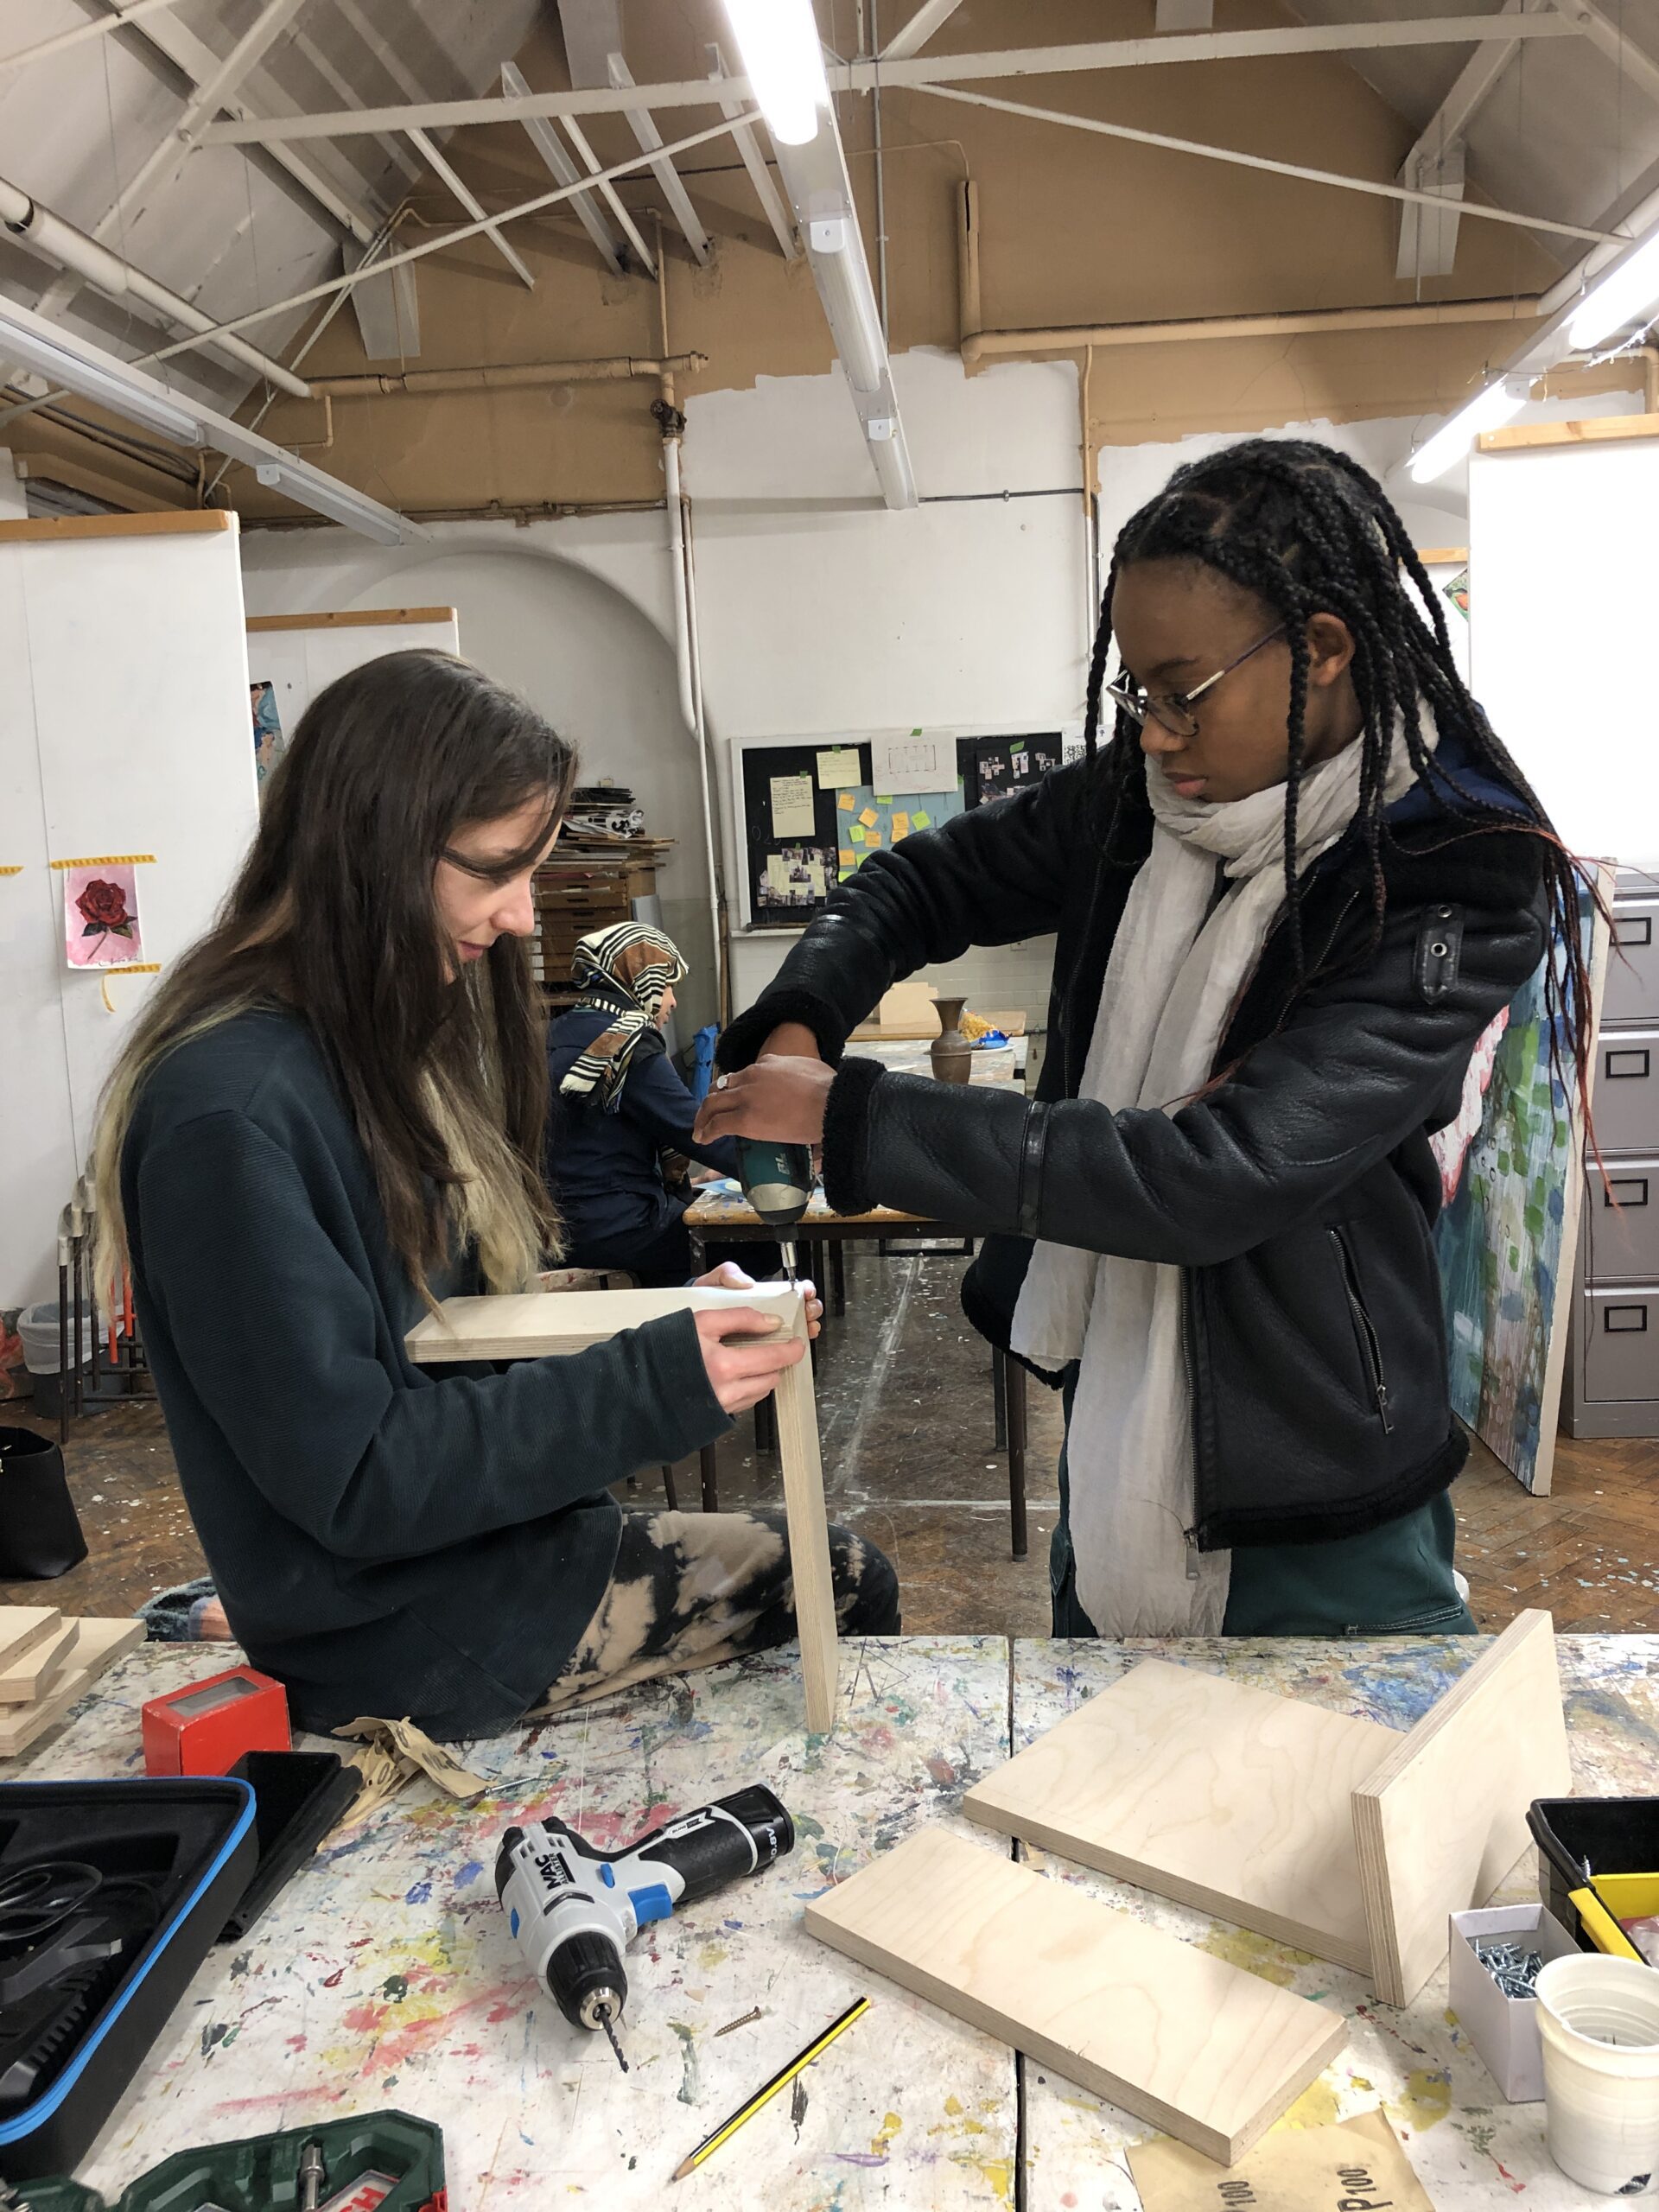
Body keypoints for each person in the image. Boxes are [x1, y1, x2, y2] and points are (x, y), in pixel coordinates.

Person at [696, 439, 1596, 1643]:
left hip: (1312, 1474)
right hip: (1123, 1410)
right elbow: (919, 884)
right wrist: (802, 1021)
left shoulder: (1450, 879)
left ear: (1323, 651)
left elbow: (1211, 1176)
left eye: (1185, 689)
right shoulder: (1145, 799)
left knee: (1335, 1802)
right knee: (1112, 1789)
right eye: (1136, 692)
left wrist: (851, 1114)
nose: (1157, 733)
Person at [95, 650, 897, 1738]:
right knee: (844, 1575)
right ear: (367, 850)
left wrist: (654, 1319)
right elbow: (362, 1477)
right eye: (493, 870)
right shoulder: (227, 1117)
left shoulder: (361, 1050)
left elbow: (449, 1337)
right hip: (408, 1630)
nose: (524, 917)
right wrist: (650, 1380)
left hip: (479, 1556)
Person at [546, 923, 773, 1287]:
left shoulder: (554, 1033)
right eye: (666, 984)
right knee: (761, 1242)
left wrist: (702, 1179)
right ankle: (683, 1325)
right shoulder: (625, 1042)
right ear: (641, 980)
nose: (672, 1000)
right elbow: (697, 1129)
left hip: (555, 1225)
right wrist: (779, 1163)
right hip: (614, 1228)